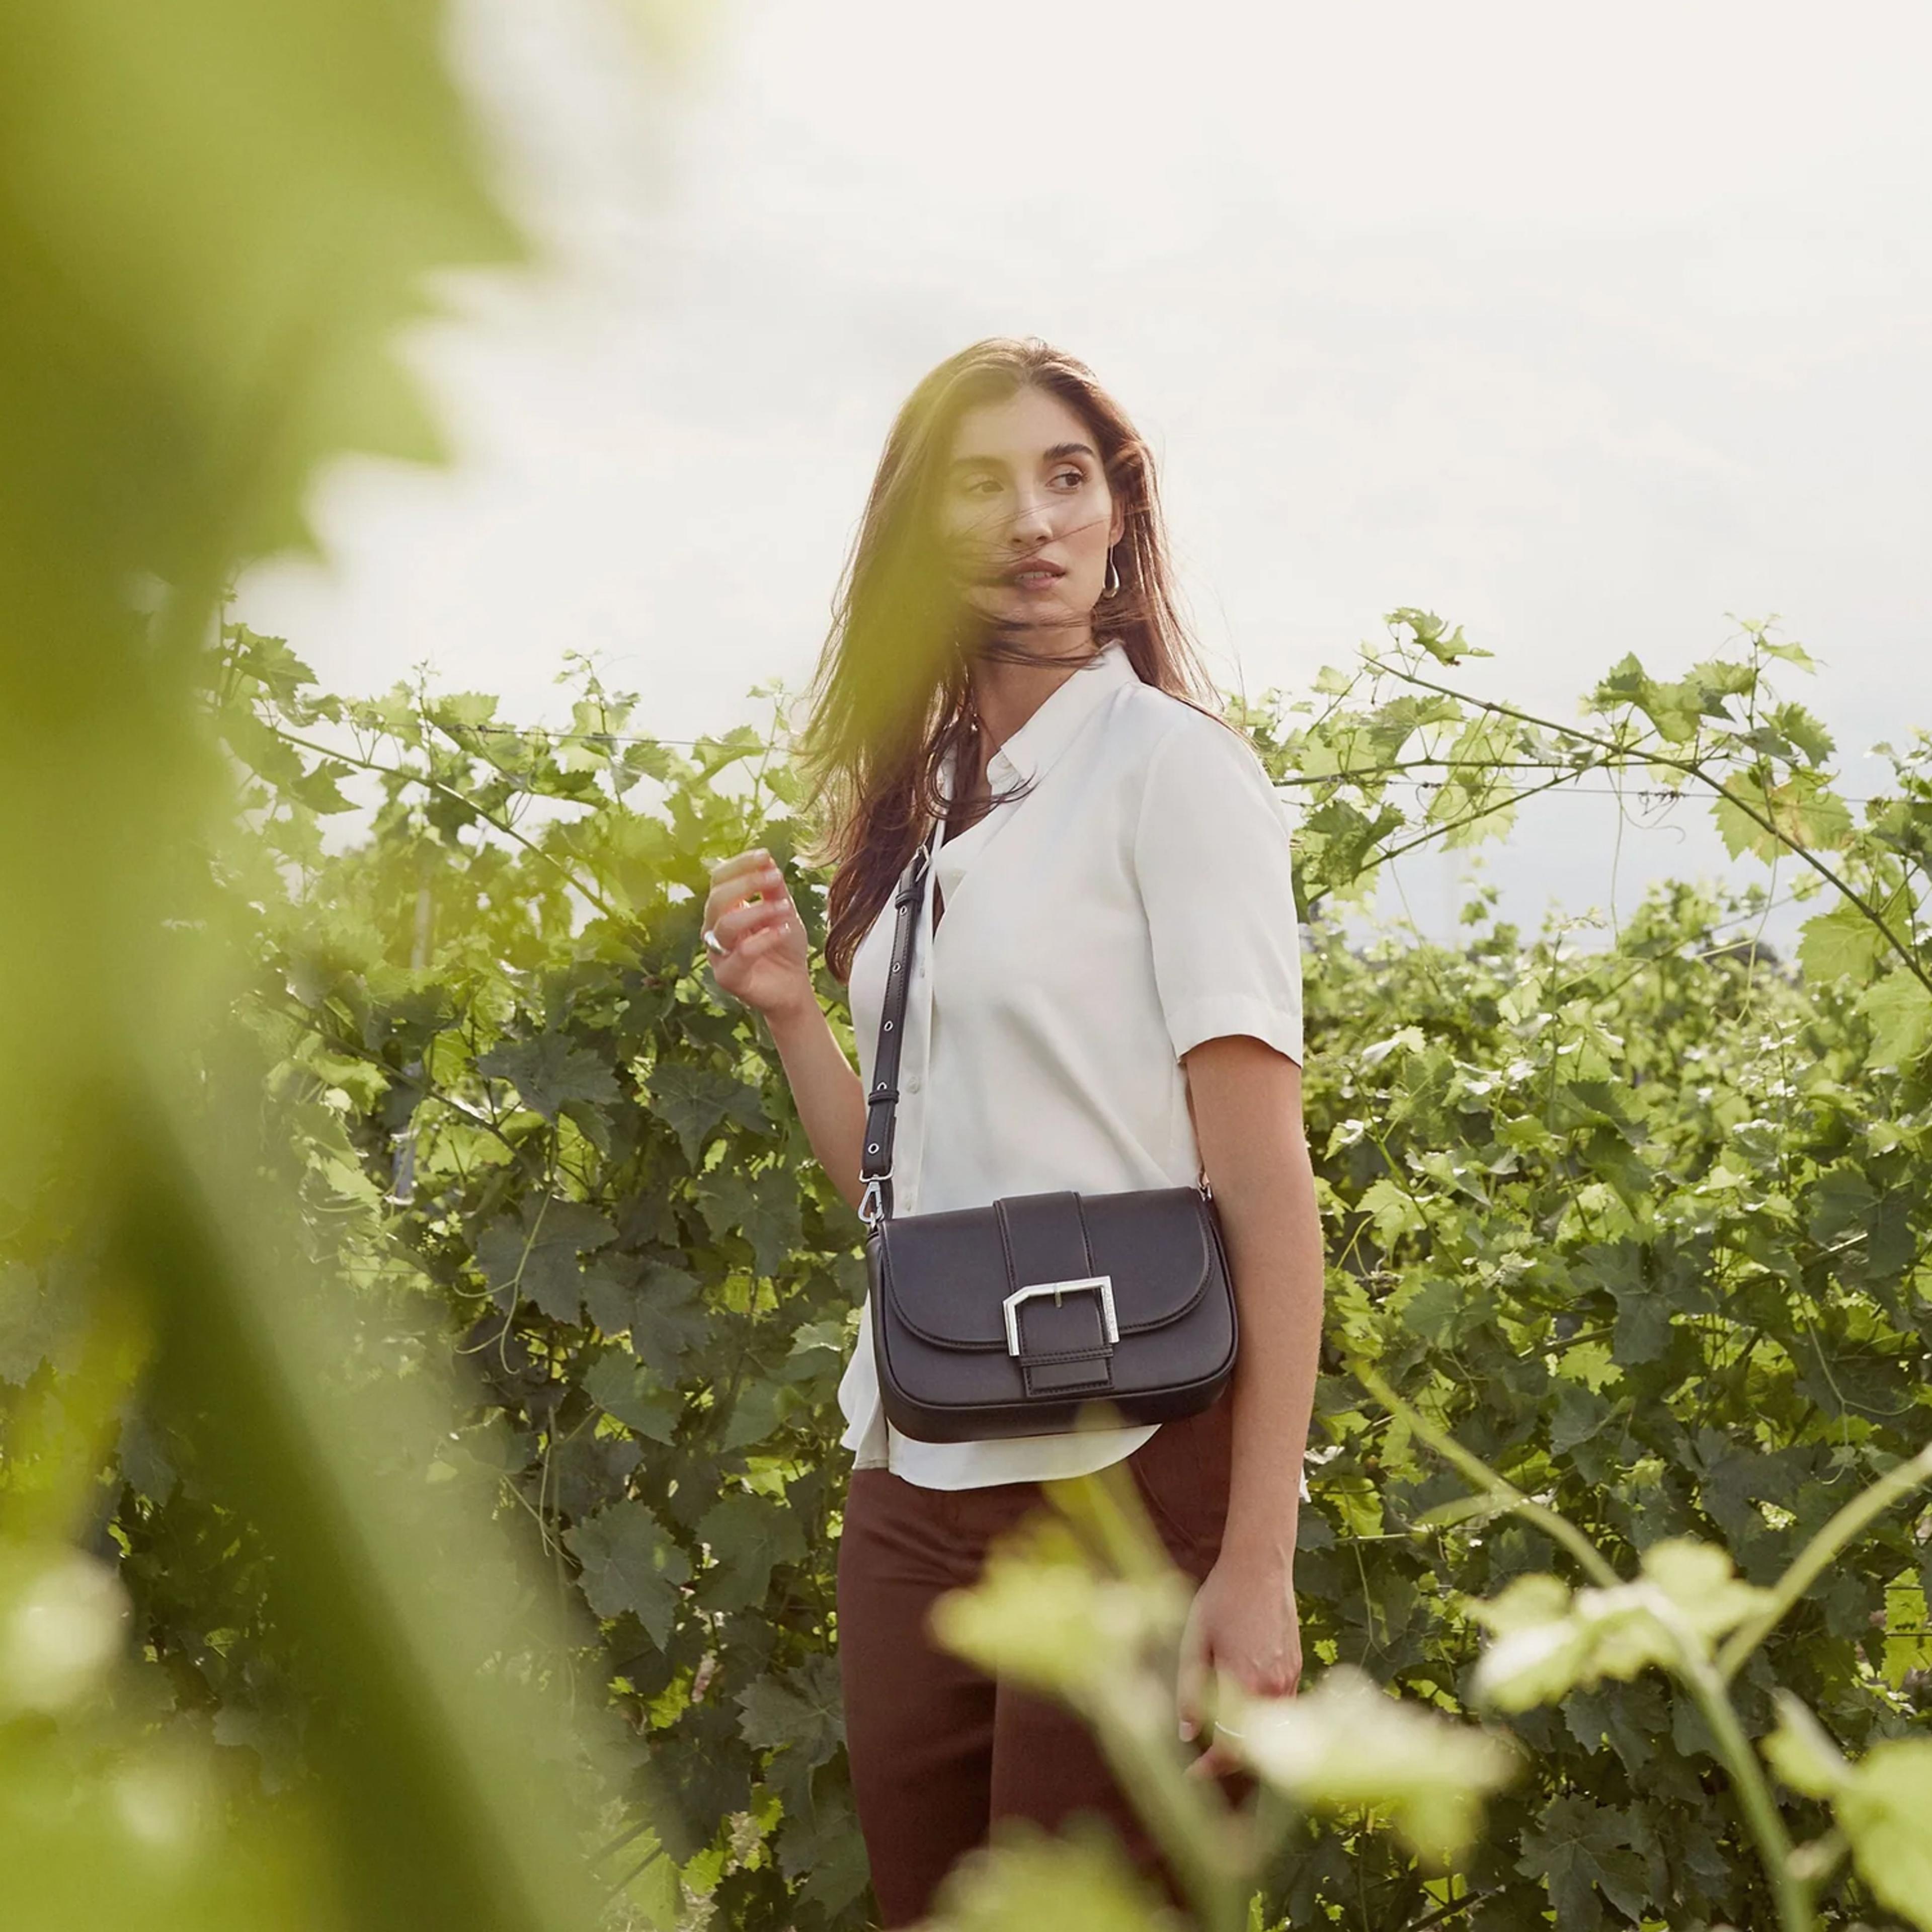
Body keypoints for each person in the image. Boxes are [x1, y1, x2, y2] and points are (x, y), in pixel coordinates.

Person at [700, 338, 1323, 1924]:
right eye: (981, 484)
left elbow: (1266, 1189)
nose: (1031, 520)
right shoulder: (926, 809)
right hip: (913, 1472)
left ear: (1120, 520)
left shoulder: (1174, 777)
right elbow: (906, 1207)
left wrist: (1255, 1564)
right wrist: (792, 1012)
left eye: (1068, 478)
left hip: (1126, 1469)